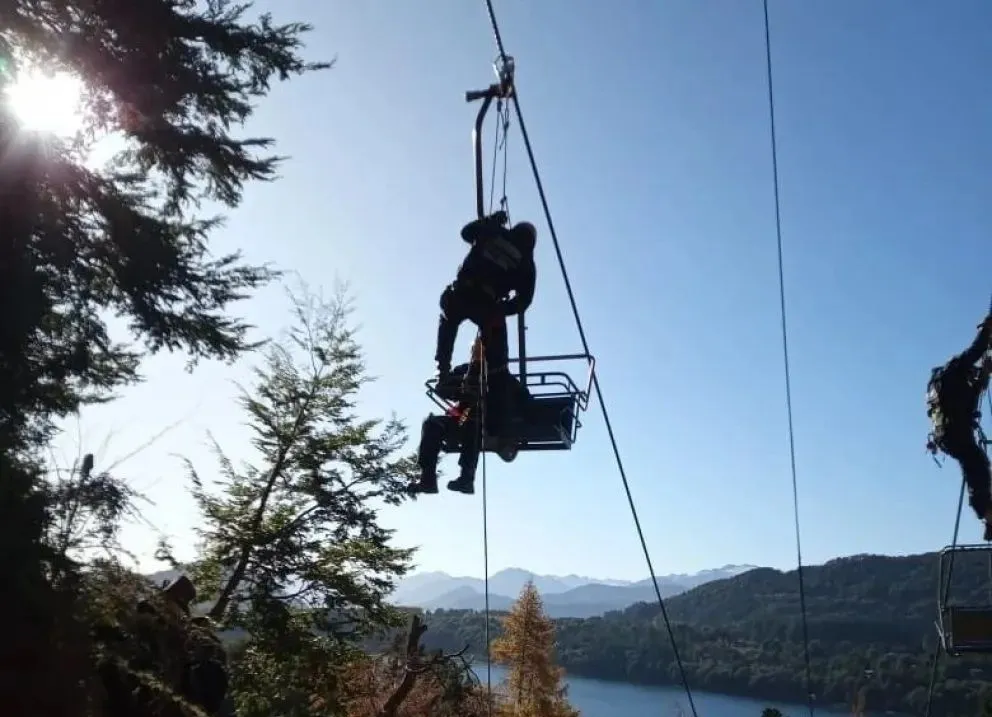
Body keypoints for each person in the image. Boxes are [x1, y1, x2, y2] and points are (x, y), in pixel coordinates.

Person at [410, 337, 528, 496]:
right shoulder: (463, 371)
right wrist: (461, 389)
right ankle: (427, 478)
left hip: (490, 423)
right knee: (432, 423)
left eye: (483, 352)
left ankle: (467, 478)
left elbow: (523, 397)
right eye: (476, 351)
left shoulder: (500, 375)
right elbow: (443, 388)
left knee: (473, 422)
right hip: (463, 418)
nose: (479, 355)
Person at [433, 211, 537, 382]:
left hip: (463, 293)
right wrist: (502, 309)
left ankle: (443, 371)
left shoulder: (496, 232)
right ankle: (489, 375)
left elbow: (466, 232)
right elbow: (524, 301)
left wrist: (491, 221)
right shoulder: (526, 263)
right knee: (497, 355)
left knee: (449, 318)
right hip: (485, 304)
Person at [927, 314, 992, 539]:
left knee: (975, 464)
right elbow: (976, 350)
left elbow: (971, 398)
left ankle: (986, 514)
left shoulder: (950, 385)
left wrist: (984, 375)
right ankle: (986, 513)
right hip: (954, 432)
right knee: (977, 464)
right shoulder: (954, 369)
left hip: (948, 435)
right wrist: (987, 330)